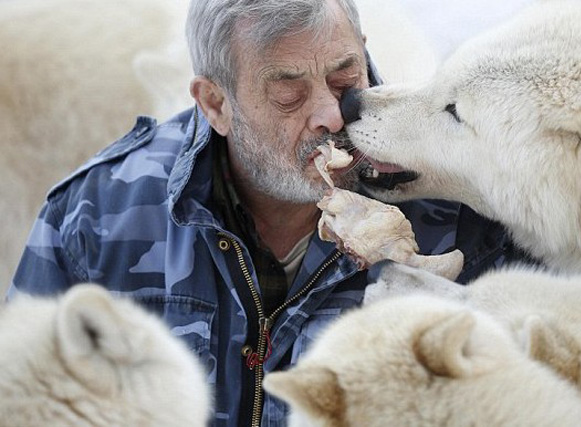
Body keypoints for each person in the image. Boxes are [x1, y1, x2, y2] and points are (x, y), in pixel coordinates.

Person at [8, 0, 530, 425]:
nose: (330, 115)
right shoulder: (96, 213)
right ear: (215, 104)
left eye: (346, 75)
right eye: (288, 93)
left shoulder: (464, 200)